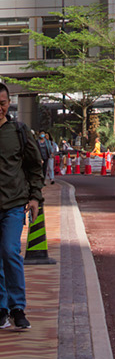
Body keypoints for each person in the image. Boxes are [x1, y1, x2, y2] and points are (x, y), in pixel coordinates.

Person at [0, 87, 43, 329]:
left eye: (3, 103)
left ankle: (17, 307)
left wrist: (35, 197)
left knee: (9, 251)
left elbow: (35, 166)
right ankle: (1, 308)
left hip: (14, 204)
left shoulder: (18, 131)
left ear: (9, 102)